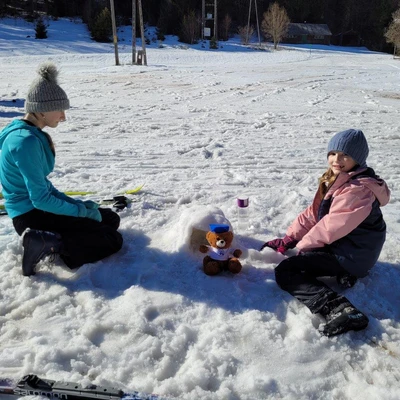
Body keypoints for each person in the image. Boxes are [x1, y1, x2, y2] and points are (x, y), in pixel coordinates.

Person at [261, 129, 390, 337]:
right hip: (348, 246)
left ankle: (339, 308)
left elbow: (333, 225)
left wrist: (303, 248)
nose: (336, 160)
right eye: (333, 153)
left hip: (353, 253)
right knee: (305, 258)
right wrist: (291, 237)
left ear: (357, 159)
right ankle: (344, 274)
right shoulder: (338, 178)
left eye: (345, 155)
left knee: (287, 270)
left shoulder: (358, 189)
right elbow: (315, 213)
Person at [0, 62, 123, 276]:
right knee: (111, 238)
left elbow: (44, 188)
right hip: (31, 216)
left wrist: (77, 204)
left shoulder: (22, 131)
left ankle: (52, 238)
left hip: (35, 209)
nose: (63, 117)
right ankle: (48, 244)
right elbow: (40, 200)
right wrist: (80, 212)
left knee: (110, 218)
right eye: (60, 109)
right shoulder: (25, 142)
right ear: (43, 109)